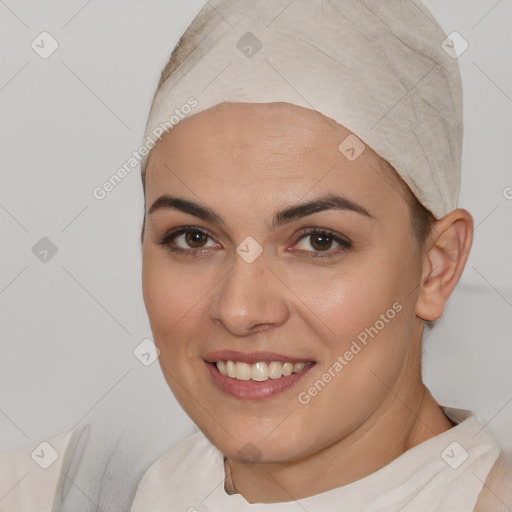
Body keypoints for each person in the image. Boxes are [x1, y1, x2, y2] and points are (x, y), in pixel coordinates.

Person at [130, 0, 512, 510]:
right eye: (194, 238)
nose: (239, 310)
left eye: (318, 241)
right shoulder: (153, 488)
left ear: (435, 267)